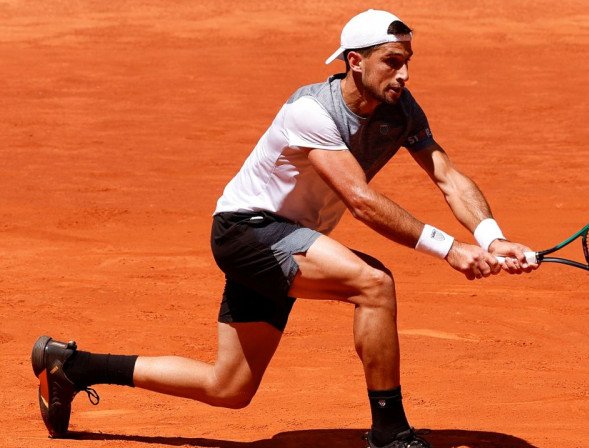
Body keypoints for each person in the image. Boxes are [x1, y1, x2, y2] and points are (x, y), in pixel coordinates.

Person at [31, 9, 537, 448]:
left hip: (290, 240)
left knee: (228, 388)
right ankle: (390, 433)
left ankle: (74, 367)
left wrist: (492, 237)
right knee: (374, 284)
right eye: (392, 61)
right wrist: (450, 249)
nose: (403, 73)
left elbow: (447, 176)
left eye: (407, 62)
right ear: (355, 61)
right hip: (246, 231)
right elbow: (360, 200)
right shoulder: (311, 110)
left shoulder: (402, 111)